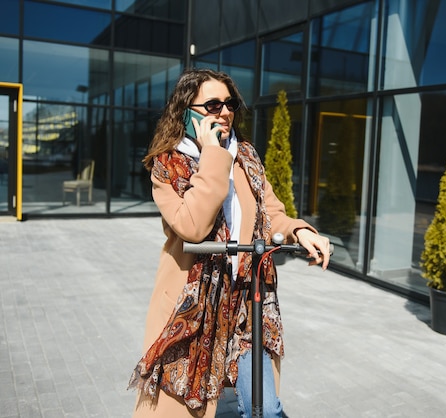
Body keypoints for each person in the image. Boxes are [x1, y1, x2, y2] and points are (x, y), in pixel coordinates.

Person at [128, 68, 331, 417]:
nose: (223, 111)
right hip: (192, 309)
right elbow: (192, 225)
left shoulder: (247, 157)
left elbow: (271, 213)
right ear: (186, 110)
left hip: (247, 305)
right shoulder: (168, 165)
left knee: (264, 408)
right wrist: (213, 155)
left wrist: (300, 231)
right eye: (211, 105)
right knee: (188, 408)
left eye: (229, 103)